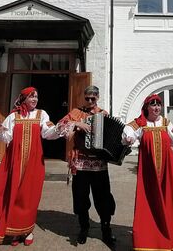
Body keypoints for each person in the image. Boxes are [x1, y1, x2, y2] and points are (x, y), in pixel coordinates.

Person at [0, 87, 65, 246]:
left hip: (34, 162)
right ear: (23, 99)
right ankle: (14, 231)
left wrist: (58, 129)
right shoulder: (13, 116)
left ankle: (27, 230)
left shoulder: (41, 114)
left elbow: (47, 132)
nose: (35, 99)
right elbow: (6, 136)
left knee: (29, 196)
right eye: (31, 97)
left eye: (36, 97)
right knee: (13, 194)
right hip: (14, 161)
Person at [122, 94, 173, 251]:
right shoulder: (140, 123)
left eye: (159, 105)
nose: (157, 108)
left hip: (167, 171)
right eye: (153, 105)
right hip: (148, 173)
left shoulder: (166, 123)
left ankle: (167, 240)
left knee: (167, 202)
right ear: (147, 107)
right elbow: (128, 131)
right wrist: (129, 138)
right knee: (148, 203)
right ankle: (148, 241)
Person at [57, 85, 116, 245]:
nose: (90, 101)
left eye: (93, 98)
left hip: (99, 164)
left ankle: (106, 228)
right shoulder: (76, 112)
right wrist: (77, 124)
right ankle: (84, 227)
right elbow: (60, 127)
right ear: (84, 97)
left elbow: (110, 135)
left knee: (103, 197)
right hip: (81, 162)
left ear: (97, 97)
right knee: (81, 197)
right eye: (87, 98)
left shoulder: (104, 115)